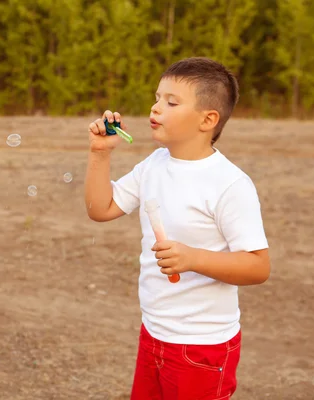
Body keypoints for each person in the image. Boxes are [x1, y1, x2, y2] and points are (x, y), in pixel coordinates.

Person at [84, 57, 271, 399]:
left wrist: (193, 258)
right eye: (157, 98)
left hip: (201, 348)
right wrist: (100, 154)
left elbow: (258, 267)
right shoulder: (154, 165)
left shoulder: (229, 184)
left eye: (171, 102)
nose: (156, 108)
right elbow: (102, 208)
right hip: (154, 333)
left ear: (208, 119)